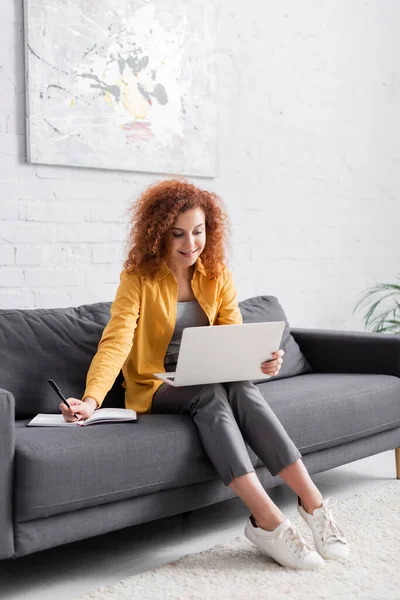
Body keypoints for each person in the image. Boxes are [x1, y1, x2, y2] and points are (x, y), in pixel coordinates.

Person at [59, 179, 349, 570]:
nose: (190, 243)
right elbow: (117, 342)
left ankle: (313, 504)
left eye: (198, 232)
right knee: (210, 393)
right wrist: (92, 399)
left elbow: (235, 339)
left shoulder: (217, 275)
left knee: (241, 388)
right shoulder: (137, 279)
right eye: (178, 234)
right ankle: (268, 520)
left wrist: (262, 362)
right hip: (156, 384)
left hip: (211, 372)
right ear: (159, 233)